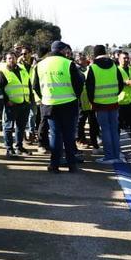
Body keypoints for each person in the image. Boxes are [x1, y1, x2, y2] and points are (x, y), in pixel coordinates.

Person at [32, 41, 84, 173]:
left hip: (50, 105)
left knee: (55, 135)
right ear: (61, 50)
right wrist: (74, 96)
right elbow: (78, 83)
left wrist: (45, 97)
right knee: (69, 135)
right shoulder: (68, 63)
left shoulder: (40, 65)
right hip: (69, 104)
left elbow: (35, 86)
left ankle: (54, 165)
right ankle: (72, 165)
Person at [85, 44, 123, 165]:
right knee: (114, 129)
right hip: (113, 101)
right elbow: (120, 83)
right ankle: (116, 155)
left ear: (95, 54)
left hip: (100, 104)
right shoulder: (114, 65)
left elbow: (89, 88)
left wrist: (92, 101)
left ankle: (109, 156)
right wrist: (114, 94)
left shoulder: (93, 67)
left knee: (105, 130)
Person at [0, 51, 31, 156]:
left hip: (24, 103)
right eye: (9, 58)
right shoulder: (3, 72)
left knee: (21, 127)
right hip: (11, 105)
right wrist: (7, 100)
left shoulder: (22, 70)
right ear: (5, 60)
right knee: (8, 127)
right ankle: (9, 148)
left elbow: (28, 84)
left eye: (13, 58)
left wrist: (29, 99)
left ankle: (19, 147)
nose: (12, 60)